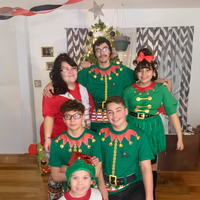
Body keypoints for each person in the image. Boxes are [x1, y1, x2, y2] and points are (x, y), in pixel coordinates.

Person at [43, 37, 172, 131]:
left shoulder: (122, 71)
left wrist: (163, 80)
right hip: (94, 121)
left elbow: (143, 76)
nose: (102, 52)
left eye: (105, 49)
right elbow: (68, 77)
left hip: (116, 118)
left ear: (110, 52)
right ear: (95, 54)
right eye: (98, 50)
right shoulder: (87, 73)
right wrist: (51, 84)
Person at [123, 48, 184, 200]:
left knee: (151, 165)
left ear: (154, 72)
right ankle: (136, 194)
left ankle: (151, 194)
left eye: (147, 70)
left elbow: (172, 113)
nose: (144, 74)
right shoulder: (128, 90)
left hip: (152, 128)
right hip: (133, 128)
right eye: (140, 71)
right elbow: (122, 114)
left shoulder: (161, 90)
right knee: (134, 164)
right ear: (136, 72)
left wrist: (180, 137)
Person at [40, 53, 94, 200]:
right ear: (58, 73)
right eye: (65, 69)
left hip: (78, 137)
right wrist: (47, 138)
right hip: (57, 138)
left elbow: (87, 114)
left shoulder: (83, 89)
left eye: (73, 67)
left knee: (76, 172)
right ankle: (56, 197)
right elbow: (49, 116)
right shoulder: (53, 91)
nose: (70, 71)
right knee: (58, 173)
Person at [97, 95, 154, 200]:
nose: (115, 115)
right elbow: (97, 164)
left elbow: (146, 168)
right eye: (110, 112)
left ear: (126, 111)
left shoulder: (139, 135)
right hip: (106, 186)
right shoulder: (100, 133)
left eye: (118, 110)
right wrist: (102, 189)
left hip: (132, 185)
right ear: (106, 114)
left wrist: (149, 197)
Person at [49, 99, 105, 199]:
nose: (72, 120)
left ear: (83, 117)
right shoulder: (57, 143)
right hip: (70, 191)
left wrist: (65, 168)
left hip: (92, 191)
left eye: (77, 115)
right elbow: (56, 176)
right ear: (63, 119)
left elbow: (96, 172)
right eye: (68, 116)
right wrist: (88, 163)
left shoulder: (94, 138)